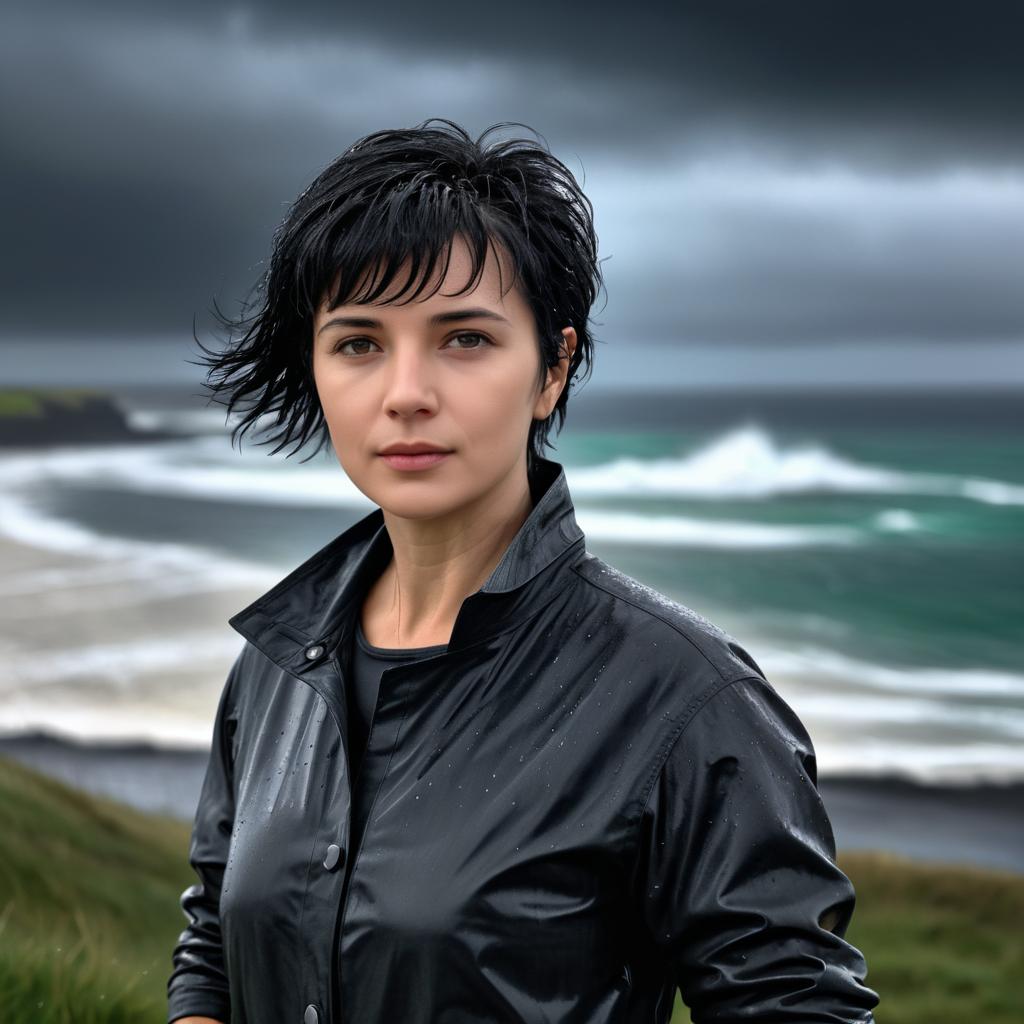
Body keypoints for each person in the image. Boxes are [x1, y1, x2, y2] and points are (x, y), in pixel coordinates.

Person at [168, 118, 880, 1024]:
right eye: (358, 343)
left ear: (554, 366)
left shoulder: (687, 700)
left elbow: (798, 1009)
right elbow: (214, 945)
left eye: (464, 338)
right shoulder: (275, 663)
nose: (406, 392)